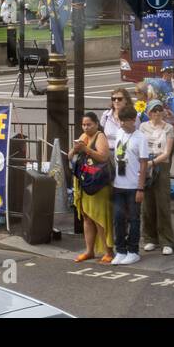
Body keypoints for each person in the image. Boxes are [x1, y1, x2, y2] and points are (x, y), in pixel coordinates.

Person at [108, 107, 151, 266]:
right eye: (120, 121)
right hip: (119, 184)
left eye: (124, 121)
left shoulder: (141, 138)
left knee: (134, 218)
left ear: (133, 120)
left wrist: (141, 188)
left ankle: (133, 250)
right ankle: (120, 250)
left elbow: (144, 164)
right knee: (118, 218)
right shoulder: (120, 133)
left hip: (133, 185)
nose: (121, 124)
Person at [71, 113, 115, 263]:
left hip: (98, 183)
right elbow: (70, 156)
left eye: (89, 124)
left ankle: (108, 250)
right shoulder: (83, 136)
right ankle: (89, 250)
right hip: (85, 181)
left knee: (99, 218)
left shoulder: (100, 136)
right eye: (84, 125)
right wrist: (75, 149)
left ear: (96, 124)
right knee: (87, 217)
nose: (86, 127)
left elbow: (103, 157)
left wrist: (86, 150)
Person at [140, 99, 174, 255]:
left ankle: (166, 241)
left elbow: (167, 152)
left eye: (159, 110)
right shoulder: (142, 127)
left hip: (160, 165)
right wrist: (144, 163)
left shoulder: (168, 128)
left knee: (162, 203)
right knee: (147, 204)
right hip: (146, 164)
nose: (156, 113)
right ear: (149, 113)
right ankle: (149, 238)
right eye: (154, 110)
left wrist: (152, 162)